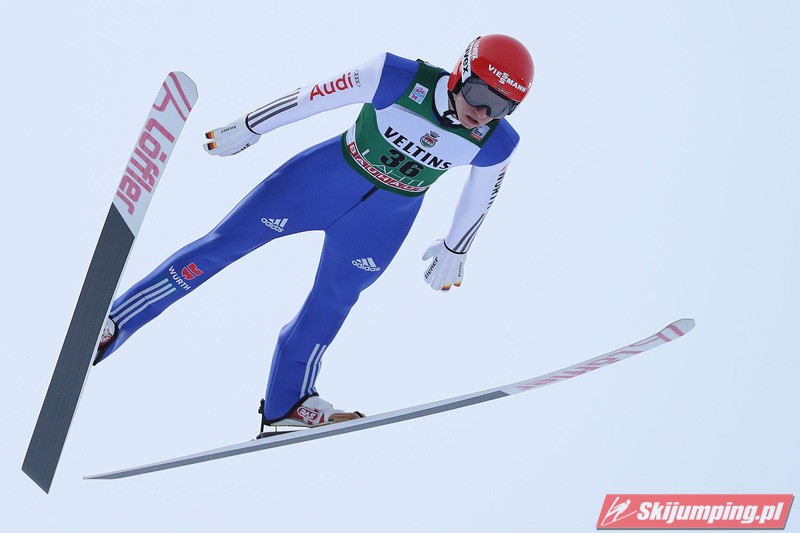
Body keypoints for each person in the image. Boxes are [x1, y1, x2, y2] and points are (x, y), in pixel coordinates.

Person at [94, 34, 534, 429]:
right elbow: (312, 98)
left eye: (500, 108)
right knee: (222, 247)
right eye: (479, 94)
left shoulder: (497, 142)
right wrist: (251, 125)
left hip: (382, 221)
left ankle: (289, 402)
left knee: (333, 302)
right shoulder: (396, 77)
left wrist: (457, 249)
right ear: (461, 73)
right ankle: (116, 321)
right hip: (317, 183)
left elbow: (480, 196)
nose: (482, 113)